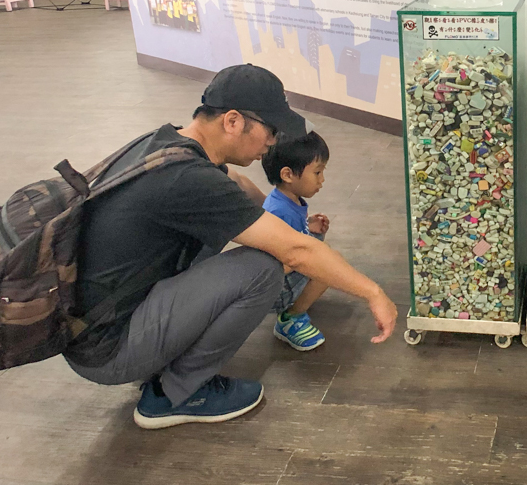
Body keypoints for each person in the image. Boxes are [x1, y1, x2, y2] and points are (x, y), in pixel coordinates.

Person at [63, 64, 398, 430]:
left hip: (94, 325)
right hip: (109, 350)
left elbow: (236, 184)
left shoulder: (166, 144)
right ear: (234, 121)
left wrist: (271, 217)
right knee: (263, 269)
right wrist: (373, 292)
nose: (273, 142)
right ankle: (175, 394)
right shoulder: (188, 179)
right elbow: (297, 252)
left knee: (240, 232)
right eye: (271, 130)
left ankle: (166, 360)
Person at [260, 132, 331, 351]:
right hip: (276, 286)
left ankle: (301, 298)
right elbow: (274, 263)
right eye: (317, 172)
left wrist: (309, 227)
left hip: (282, 273)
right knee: (327, 268)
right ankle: (290, 319)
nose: (322, 179)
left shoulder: (288, 200)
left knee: (320, 251)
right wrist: (312, 260)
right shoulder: (279, 212)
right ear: (288, 175)